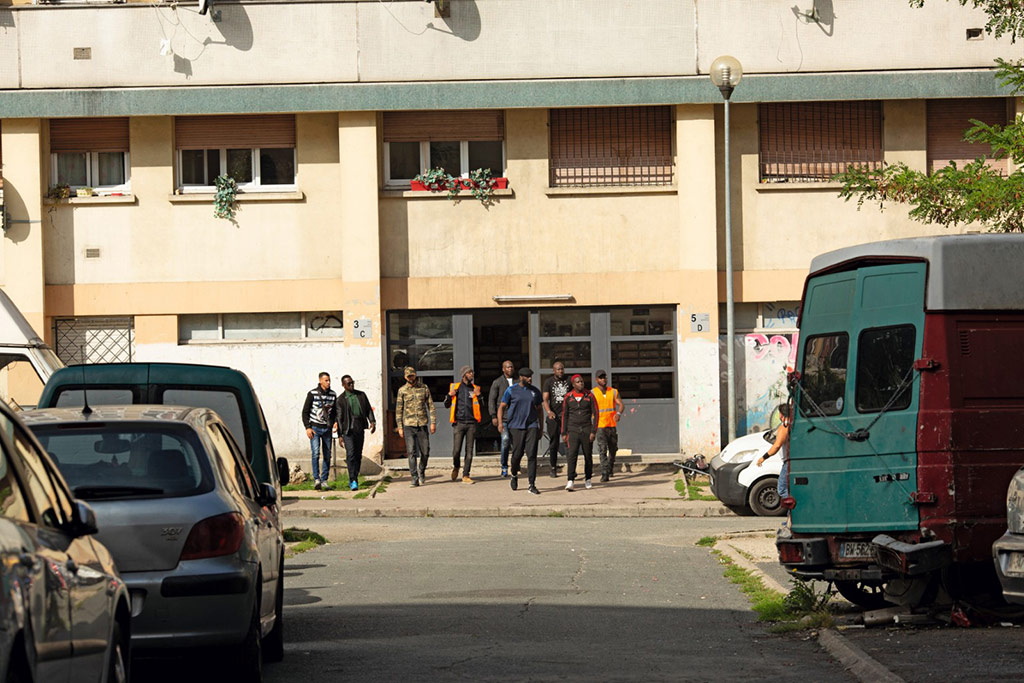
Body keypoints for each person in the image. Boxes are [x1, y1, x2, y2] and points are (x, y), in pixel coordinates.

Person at [498, 367, 544, 495]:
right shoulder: (511, 390)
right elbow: (501, 407)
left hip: (532, 426)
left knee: (532, 455)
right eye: (527, 377)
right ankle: (513, 474)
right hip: (516, 426)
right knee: (517, 454)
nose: (530, 379)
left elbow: (540, 410)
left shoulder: (535, 391)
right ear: (521, 377)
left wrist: (541, 428)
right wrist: (500, 423)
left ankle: (532, 484)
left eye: (531, 376)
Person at [396, 366, 436, 487]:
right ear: (405, 377)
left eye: (412, 376)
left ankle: (421, 470)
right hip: (408, 425)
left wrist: (433, 422)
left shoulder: (424, 388)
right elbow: (399, 410)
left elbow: (431, 406)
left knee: (425, 451)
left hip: (422, 424)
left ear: (415, 375)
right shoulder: (402, 390)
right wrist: (400, 427)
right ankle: (414, 477)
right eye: (408, 376)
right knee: (411, 452)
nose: (411, 378)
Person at [338, 374, 377, 491]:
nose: (351, 385)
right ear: (343, 385)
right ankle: (352, 479)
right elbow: (339, 418)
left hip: (359, 427)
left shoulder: (361, 395)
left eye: (352, 382)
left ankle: (355, 475)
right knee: (350, 454)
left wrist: (372, 421)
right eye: (348, 383)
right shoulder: (340, 399)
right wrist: (340, 435)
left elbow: (368, 409)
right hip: (348, 430)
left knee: (358, 454)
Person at [444, 365, 482, 484]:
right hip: (459, 423)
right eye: (470, 372)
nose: (472, 374)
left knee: (469, 451)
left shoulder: (475, 388)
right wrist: (449, 396)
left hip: (471, 423)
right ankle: (456, 466)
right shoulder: (456, 388)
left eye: (472, 372)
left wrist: (479, 395)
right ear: (464, 374)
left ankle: (466, 475)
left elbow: (482, 405)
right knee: (456, 451)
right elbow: (446, 404)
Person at [301, 371, 338, 491]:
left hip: (327, 428)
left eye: (329, 380)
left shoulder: (333, 395)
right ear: (320, 381)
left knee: (327, 454)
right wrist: (308, 427)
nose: (328, 382)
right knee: (315, 453)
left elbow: (335, 412)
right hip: (315, 428)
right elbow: (305, 412)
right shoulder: (312, 394)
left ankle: (324, 480)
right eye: (326, 380)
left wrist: (335, 422)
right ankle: (316, 479)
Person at [561, 374, 598, 491]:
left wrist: (593, 431)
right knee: (572, 455)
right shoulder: (568, 397)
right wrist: (563, 432)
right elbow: (564, 415)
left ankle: (588, 479)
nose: (581, 383)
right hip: (573, 430)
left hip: (586, 429)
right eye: (578, 382)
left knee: (588, 455)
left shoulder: (589, 396)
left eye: (582, 381)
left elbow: (596, 414)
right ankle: (570, 480)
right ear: (573, 384)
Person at [592, 370, 624, 482]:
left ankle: (610, 467)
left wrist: (618, 414)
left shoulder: (613, 391)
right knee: (602, 449)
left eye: (604, 377)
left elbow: (621, 405)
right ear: (596, 380)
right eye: (600, 378)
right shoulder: (593, 393)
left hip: (611, 425)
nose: (603, 379)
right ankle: (604, 472)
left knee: (613, 449)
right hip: (600, 426)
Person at [542, 361, 572, 477]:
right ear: (553, 370)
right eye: (558, 369)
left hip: (566, 416)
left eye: (562, 369)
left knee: (568, 442)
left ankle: (571, 469)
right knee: (553, 443)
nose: (560, 371)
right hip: (554, 417)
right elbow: (545, 399)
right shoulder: (548, 382)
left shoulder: (569, 380)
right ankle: (553, 467)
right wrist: (549, 411)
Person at [757, 403, 792, 498]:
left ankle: (792, 511)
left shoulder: (785, 427)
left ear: (781, 415)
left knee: (782, 489)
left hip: (788, 462)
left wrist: (763, 458)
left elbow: (776, 446)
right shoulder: (793, 424)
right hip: (791, 461)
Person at [488, 360, 516, 477]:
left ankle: (515, 466)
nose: (510, 369)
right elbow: (492, 400)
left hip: (515, 418)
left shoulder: (518, 382)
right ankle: (504, 467)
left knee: (516, 444)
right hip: (503, 418)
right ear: (503, 369)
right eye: (507, 367)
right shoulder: (497, 382)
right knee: (505, 441)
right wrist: (493, 415)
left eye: (511, 367)